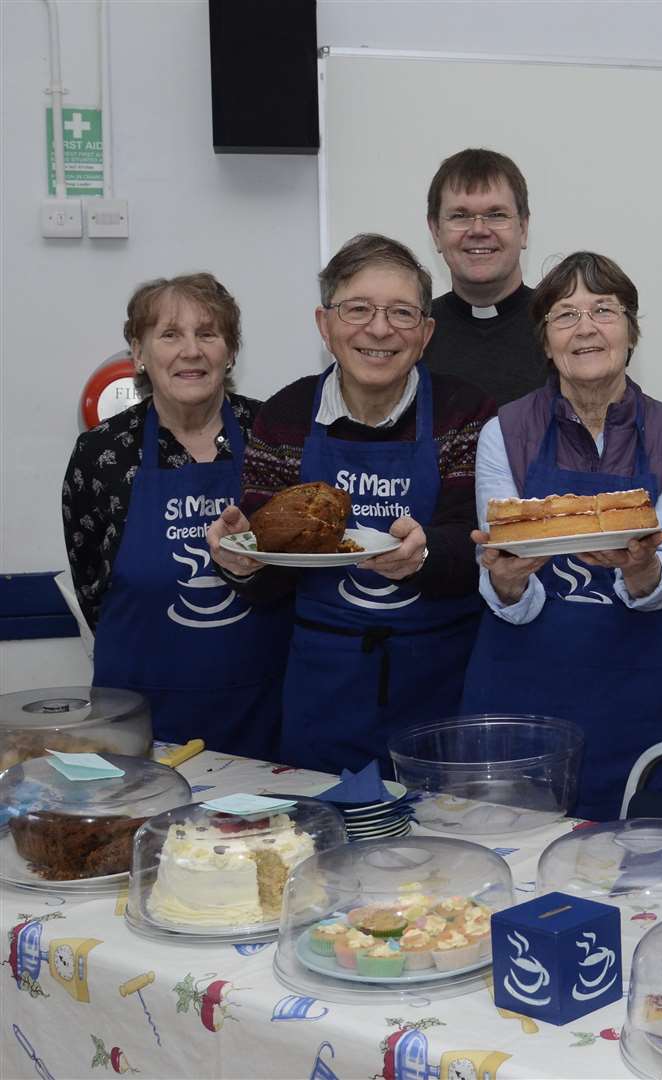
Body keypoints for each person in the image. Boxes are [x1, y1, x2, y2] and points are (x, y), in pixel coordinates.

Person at [208, 234, 494, 772]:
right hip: (324, 689)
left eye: (402, 313)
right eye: (358, 309)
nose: (379, 329)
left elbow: (479, 541)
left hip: (440, 688)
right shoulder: (285, 416)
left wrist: (426, 556)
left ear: (426, 332)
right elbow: (269, 576)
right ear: (325, 324)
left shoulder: (466, 411)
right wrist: (241, 564)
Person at [462, 252, 662, 821]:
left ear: (631, 331)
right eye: (565, 315)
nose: (586, 327)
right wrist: (505, 582)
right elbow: (498, 567)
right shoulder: (505, 432)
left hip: (638, 706)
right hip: (523, 699)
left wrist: (642, 570)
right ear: (546, 343)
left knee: (641, 880)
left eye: (604, 309)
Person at [63, 274, 291, 758]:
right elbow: (92, 586)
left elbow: (298, 566)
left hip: (262, 713)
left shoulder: (274, 433)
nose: (191, 351)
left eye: (208, 333)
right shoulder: (101, 452)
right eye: (170, 335)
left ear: (230, 351)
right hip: (138, 720)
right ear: (138, 352)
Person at [420, 148, 545, 405]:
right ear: (435, 232)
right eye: (460, 216)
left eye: (496, 215)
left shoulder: (560, 328)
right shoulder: (412, 334)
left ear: (523, 228)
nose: (478, 229)